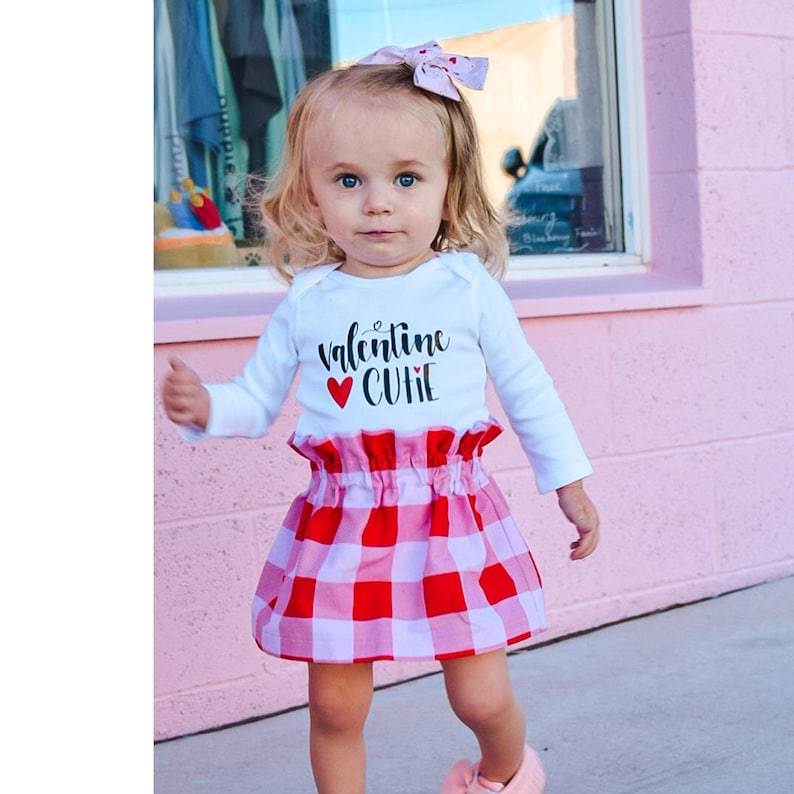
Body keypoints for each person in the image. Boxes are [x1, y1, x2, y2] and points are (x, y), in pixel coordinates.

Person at [161, 41, 599, 794]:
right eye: (348, 180)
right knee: (334, 708)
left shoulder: (463, 287)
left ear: (447, 185)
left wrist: (569, 482)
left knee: (481, 696)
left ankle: (505, 775)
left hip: (448, 513)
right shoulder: (310, 299)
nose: (378, 202)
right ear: (310, 191)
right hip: (344, 524)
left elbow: (528, 386)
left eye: (405, 178)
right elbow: (258, 399)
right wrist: (208, 407)